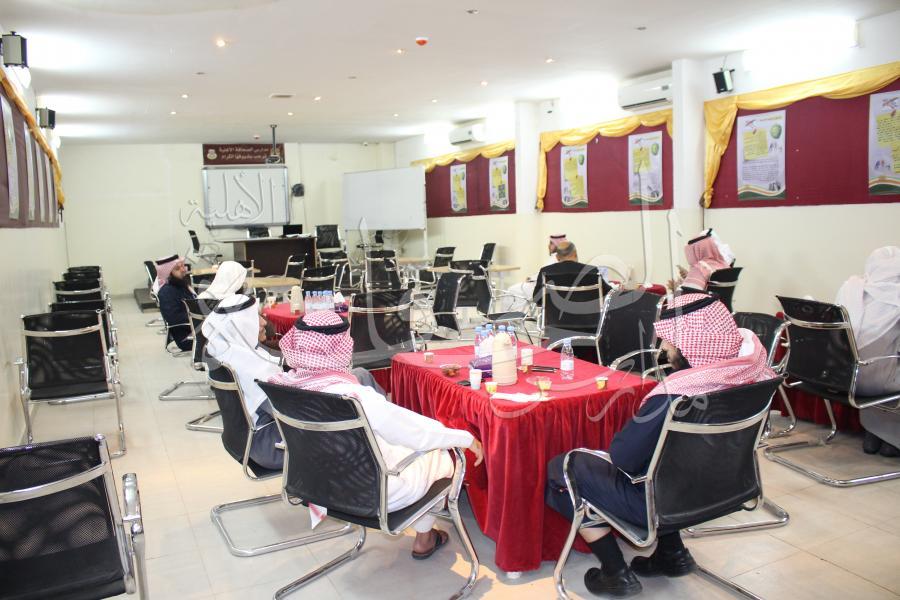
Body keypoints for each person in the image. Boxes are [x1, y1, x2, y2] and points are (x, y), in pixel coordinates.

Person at [545, 293, 776, 596]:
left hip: (666, 502)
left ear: (692, 343)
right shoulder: (754, 374)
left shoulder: (676, 395)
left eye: (669, 340)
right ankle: (672, 553)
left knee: (563, 469)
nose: (664, 349)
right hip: (729, 489)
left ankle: (615, 572)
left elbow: (623, 459)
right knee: (664, 459)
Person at [268, 310, 484, 559]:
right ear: (339, 347)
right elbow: (416, 433)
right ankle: (425, 536)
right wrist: (466, 438)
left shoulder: (282, 384)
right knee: (440, 452)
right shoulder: (353, 396)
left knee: (399, 448)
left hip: (317, 484)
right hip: (371, 494)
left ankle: (424, 532)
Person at [202, 294, 284, 468]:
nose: (263, 323)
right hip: (269, 444)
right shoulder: (249, 367)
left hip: (242, 440)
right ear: (240, 325)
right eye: (255, 317)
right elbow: (286, 412)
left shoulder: (222, 349)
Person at [836, 246, 900, 457]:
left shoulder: (851, 287)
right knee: (885, 363)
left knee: (876, 359)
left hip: (842, 377)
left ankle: (875, 434)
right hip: (879, 380)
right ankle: (890, 438)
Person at [531, 241, 601, 305]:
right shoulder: (592, 270)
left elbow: (537, 299)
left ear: (557, 257)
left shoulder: (545, 271)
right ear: (575, 254)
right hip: (587, 313)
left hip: (555, 314)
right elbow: (604, 293)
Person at [668, 229, 735, 292]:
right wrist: (689, 277)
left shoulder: (700, 268)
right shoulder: (723, 265)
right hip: (719, 301)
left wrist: (676, 288)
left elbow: (690, 296)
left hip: (704, 300)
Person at [156, 254, 196, 351]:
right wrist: (199, 317)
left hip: (195, 329)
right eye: (177, 268)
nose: (183, 270)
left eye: (183, 266)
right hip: (187, 337)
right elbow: (174, 318)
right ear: (168, 274)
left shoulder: (180, 284)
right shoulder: (166, 292)